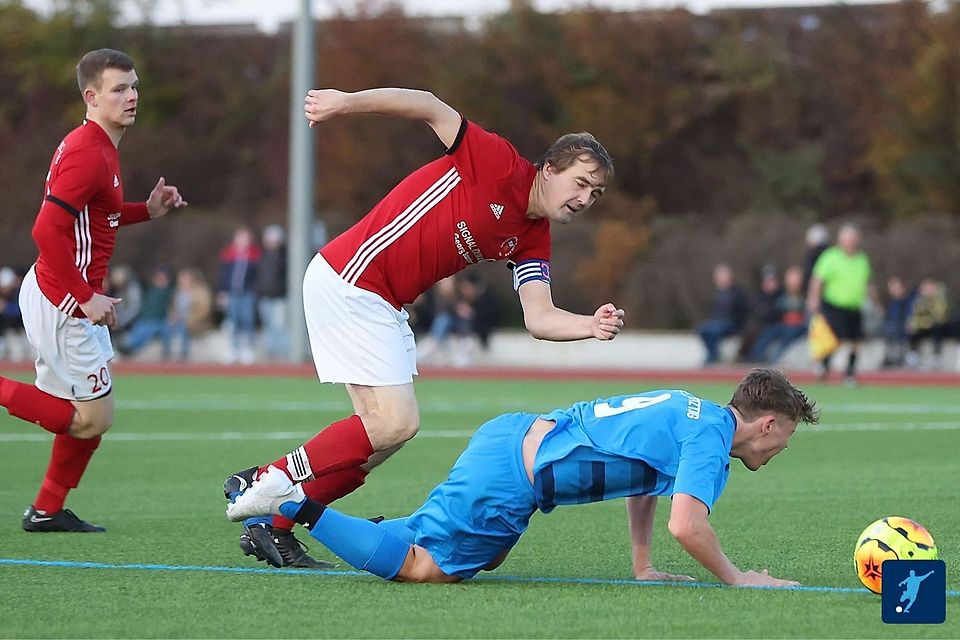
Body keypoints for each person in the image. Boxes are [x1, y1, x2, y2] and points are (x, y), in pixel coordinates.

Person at [223, 87, 623, 568]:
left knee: (381, 441)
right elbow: (429, 105)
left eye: (594, 193)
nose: (585, 198)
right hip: (353, 277)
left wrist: (590, 325)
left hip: (379, 298)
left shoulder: (533, 238)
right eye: (580, 183)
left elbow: (539, 318)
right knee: (395, 423)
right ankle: (262, 481)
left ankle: (276, 522)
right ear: (551, 168)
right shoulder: (498, 164)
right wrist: (345, 104)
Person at [227, 368, 818, 586]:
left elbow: (648, 484)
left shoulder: (696, 414)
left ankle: (300, 511)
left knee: (481, 558)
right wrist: (739, 579)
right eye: (788, 435)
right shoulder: (711, 440)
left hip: (511, 441)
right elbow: (688, 527)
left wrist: (641, 564)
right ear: (767, 423)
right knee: (426, 568)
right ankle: (293, 505)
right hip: (516, 471)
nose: (784, 448)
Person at [0, 49, 186, 532]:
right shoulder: (89, 152)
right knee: (92, 418)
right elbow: (46, 231)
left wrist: (147, 210)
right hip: (65, 299)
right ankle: (45, 506)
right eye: (119, 89)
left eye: (134, 86)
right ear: (91, 96)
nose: (132, 96)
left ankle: (46, 510)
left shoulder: (97, 146)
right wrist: (84, 296)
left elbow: (97, 214)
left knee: (91, 413)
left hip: (64, 293)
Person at [806, 224, 873, 384]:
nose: (850, 243)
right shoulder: (830, 257)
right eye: (847, 239)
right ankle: (824, 365)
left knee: (856, 341)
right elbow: (818, 279)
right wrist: (813, 298)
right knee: (834, 339)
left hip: (854, 307)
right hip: (833, 305)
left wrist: (874, 301)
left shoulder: (862, 259)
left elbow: (867, 282)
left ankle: (849, 373)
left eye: (853, 239)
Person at [217, 226, 261, 365]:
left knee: (247, 320)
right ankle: (233, 349)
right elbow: (224, 275)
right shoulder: (229, 254)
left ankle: (248, 349)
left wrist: (255, 290)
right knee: (233, 321)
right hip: (232, 293)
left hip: (247, 293)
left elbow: (258, 276)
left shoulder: (255, 255)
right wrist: (223, 291)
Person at [748, 266, 807, 364]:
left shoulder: (805, 295)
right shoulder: (782, 295)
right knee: (768, 331)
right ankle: (755, 357)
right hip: (783, 325)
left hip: (798, 327)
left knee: (788, 336)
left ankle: (773, 360)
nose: (792, 282)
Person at [696, 264, 749, 365]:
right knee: (702, 329)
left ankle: (712, 357)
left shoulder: (737, 292)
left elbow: (743, 311)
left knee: (714, 330)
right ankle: (713, 354)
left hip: (731, 324)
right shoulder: (717, 293)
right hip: (717, 322)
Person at [117, 265, 174, 358]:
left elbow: (172, 309)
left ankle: (129, 348)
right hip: (146, 319)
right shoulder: (151, 291)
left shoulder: (170, 292)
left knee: (149, 329)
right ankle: (128, 348)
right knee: (141, 328)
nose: (159, 279)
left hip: (160, 320)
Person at [255, 224, 288, 361]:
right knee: (268, 327)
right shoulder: (262, 256)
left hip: (280, 297)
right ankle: (271, 355)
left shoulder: (285, 256)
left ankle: (282, 355)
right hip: (264, 296)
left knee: (280, 327)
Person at [166, 268, 213, 361]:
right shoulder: (178, 291)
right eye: (181, 278)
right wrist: (172, 318)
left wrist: (188, 318)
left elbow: (204, 310)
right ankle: (166, 354)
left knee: (183, 327)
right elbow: (172, 308)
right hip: (179, 320)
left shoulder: (200, 291)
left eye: (184, 278)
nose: (181, 280)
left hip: (195, 322)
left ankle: (184, 355)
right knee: (165, 327)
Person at [905, 279, 950, 370]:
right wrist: (913, 324)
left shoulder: (939, 299)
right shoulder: (919, 300)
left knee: (938, 331)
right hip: (922, 327)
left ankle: (936, 358)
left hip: (935, 327)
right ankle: (913, 357)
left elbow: (940, 316)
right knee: (912, 332)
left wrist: (930, 301)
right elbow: (915, 315)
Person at [880, 276, 911, 369]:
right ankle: (890, 358)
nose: (892, 289)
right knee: (890, 328)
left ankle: (898, 359)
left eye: (894, 286)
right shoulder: (891, 301)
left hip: (901, 328)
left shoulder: (906, 300)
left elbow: (908, 314)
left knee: (894, 328)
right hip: (892, 328)